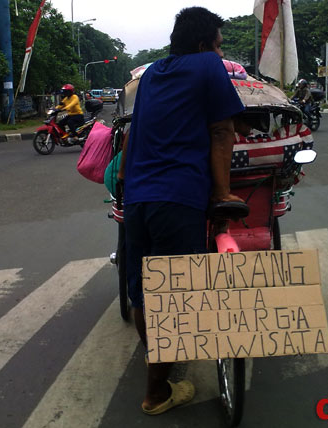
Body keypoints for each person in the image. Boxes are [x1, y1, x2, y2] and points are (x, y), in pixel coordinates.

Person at [120, 7, 247, 415]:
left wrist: (125, 185)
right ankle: (157, 393)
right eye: (218, 42)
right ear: (203, 44)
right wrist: (224, 193)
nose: (219, 48)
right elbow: (223, 130)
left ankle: (157, 354)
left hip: (139, 198)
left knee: (143, 291)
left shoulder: (153, 73)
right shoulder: (209, 65)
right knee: (176, 298)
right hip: (178, 198)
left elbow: (133, 132)